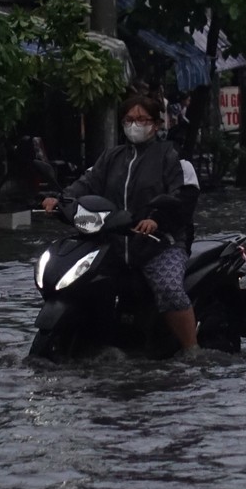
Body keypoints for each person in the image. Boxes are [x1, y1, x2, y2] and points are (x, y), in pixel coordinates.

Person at [41, 96, 198, 350]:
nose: (135, 125)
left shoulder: (172, 157)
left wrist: (156, 220)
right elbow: (86, 183)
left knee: (168, 289)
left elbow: (184, 196)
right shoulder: (111, 157)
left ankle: (193, 350)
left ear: (156, 124)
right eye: (129, 120)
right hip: (113, 243)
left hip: (158, 244)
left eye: (142, 119)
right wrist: (60, 200)